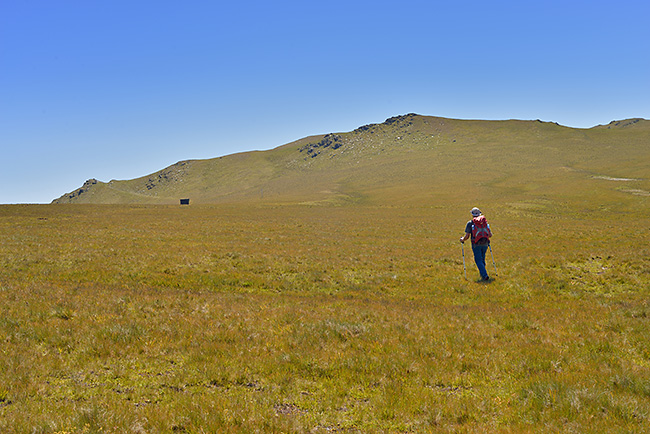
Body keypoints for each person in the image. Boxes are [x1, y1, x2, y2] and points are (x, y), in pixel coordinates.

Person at [460, 207, 491, 281]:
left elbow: (467, 236)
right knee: (482, 258)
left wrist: (462, 239)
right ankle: (483, 273)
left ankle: (484, 275)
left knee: (478, 260)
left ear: (472, 214)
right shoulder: (484, 222)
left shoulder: (470, 223)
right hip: (485, 243)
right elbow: (490, 235)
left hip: (476, 244)